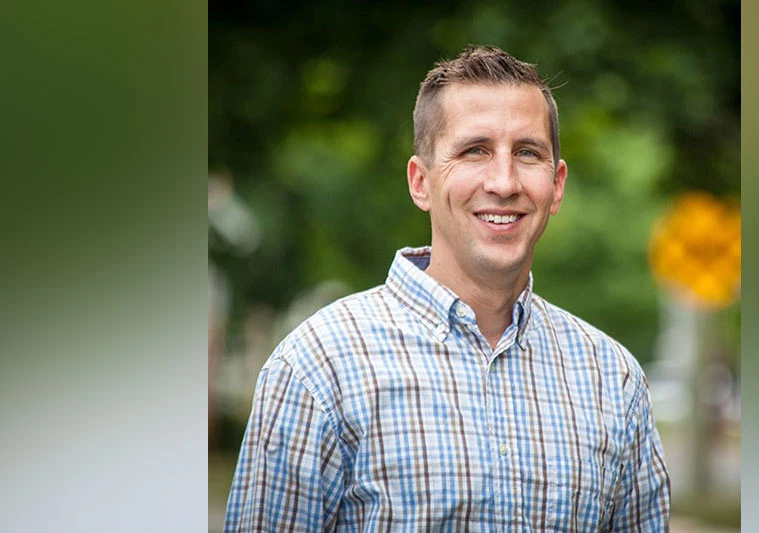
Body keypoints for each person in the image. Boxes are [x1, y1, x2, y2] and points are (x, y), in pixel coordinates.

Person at [225, 44, 670, 532]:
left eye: (527, 153)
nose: (503, 181)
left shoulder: (613, 380)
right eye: (474, 150)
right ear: (421, 182)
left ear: (556, 184)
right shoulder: (317, 368)